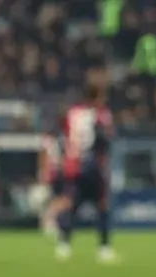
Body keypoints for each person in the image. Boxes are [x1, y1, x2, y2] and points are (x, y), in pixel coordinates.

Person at [55, 83, 116, 263]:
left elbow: (64, 136)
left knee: (71, 205)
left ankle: (64, 245)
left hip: (73, 165)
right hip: (93, 165)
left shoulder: (73, 114)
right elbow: (105, 139)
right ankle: (104, 248)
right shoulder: (101, 114)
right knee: (102, 206)